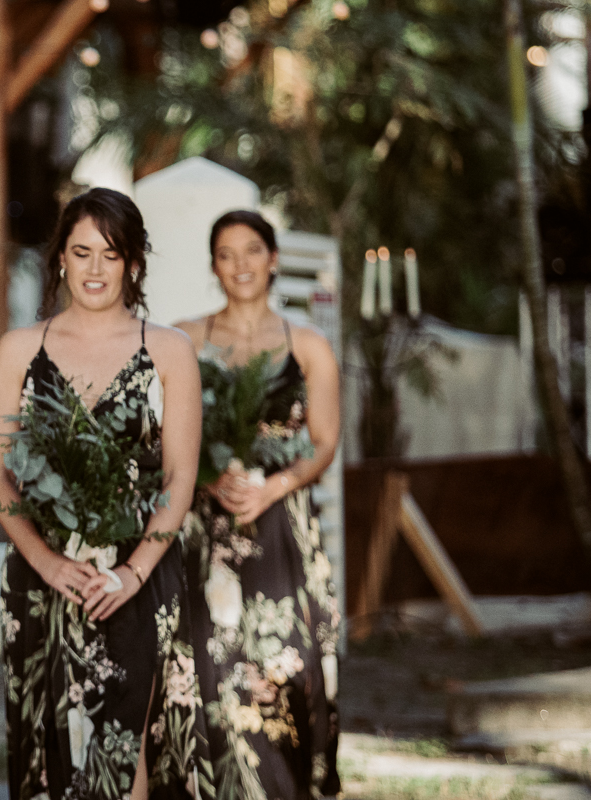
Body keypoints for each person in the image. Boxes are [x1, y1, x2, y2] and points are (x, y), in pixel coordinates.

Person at [0, 187, 213, 800]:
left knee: (124, 751)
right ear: (59, 257)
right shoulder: (18, 349)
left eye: (109, 254)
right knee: (50, 744)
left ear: (133, 263)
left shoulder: (169, 350)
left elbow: (179, 480)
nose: (93, 268)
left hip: (138, 576)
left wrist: (134, 574)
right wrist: (51, 563)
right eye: (80, 251)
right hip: (41, 578)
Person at [175, 210, 341, 800]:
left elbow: (324, 442)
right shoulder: (185, 338)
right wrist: (209, 476)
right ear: (213, 264)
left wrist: (272, 487)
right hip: (206, 527)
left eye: (252, 251)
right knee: (209, 670)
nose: (240, 264)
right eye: (225, 253)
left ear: (273, 259)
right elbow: (165, 432)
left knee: (284, 669)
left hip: (280, 525)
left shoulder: (309, 345)